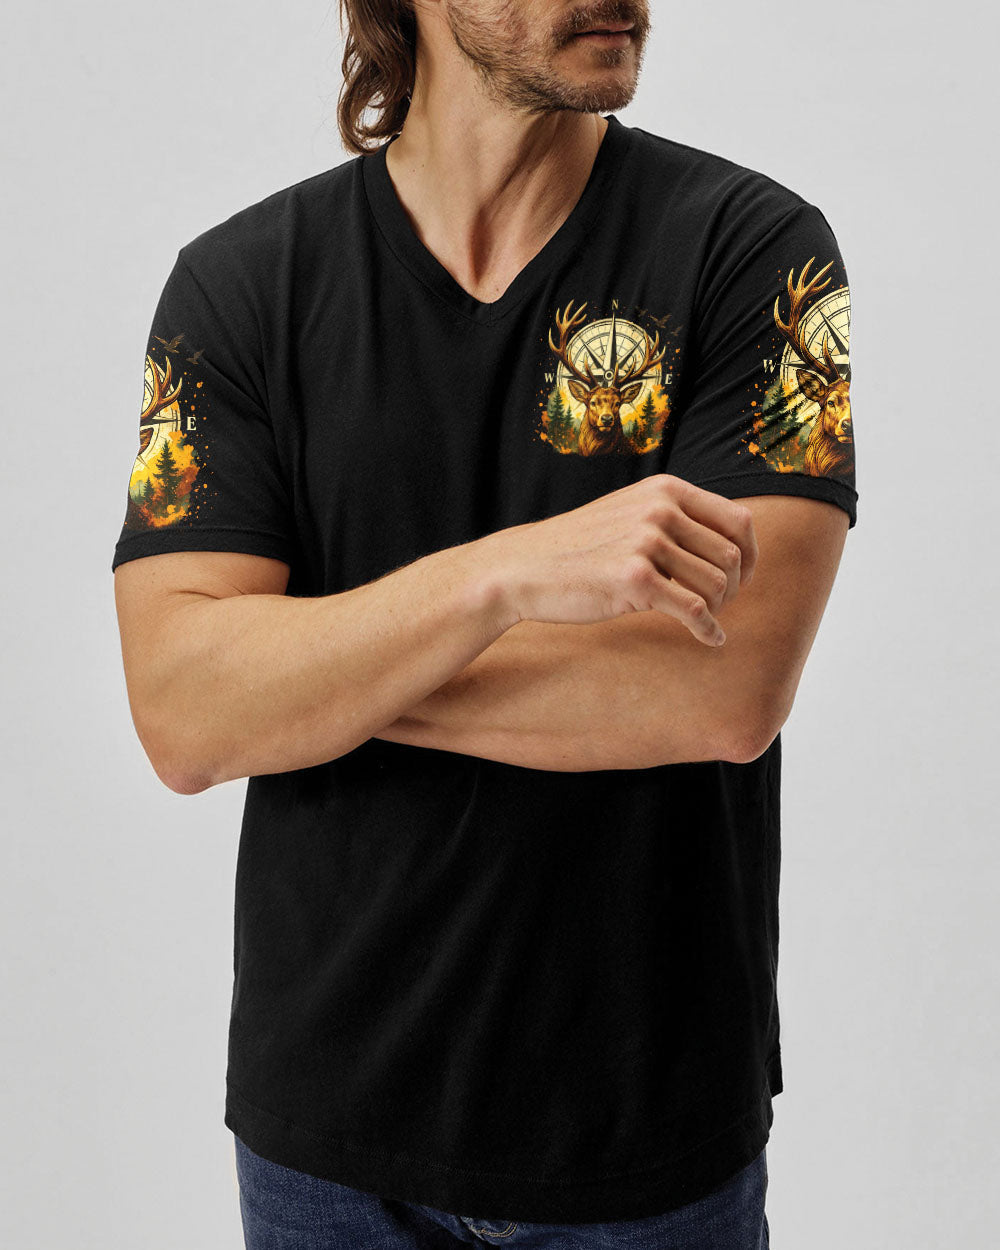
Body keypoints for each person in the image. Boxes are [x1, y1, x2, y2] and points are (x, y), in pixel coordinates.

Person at [112, 1, 857, 1246]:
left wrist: (305, 676)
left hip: (643, 1131)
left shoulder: (754, 251)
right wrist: (498, 579)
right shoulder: (239, 286)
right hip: (324, 1139)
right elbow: (183, 716)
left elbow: (722, 692)